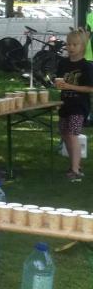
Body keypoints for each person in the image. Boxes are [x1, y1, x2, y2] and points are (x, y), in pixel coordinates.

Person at [55, 28, 93, 182]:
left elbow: (90, 88)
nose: (70, 47)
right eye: (68, 44)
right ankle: (75, 165)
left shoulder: (86, 66)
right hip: (65, 104)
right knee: (65, 135)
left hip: (79, 106)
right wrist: (58, 84)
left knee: (72, 134)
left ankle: (75, 170)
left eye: (74, 44)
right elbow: (59, 81)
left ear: (82, 46)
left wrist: (70, 86)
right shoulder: (63, 63)